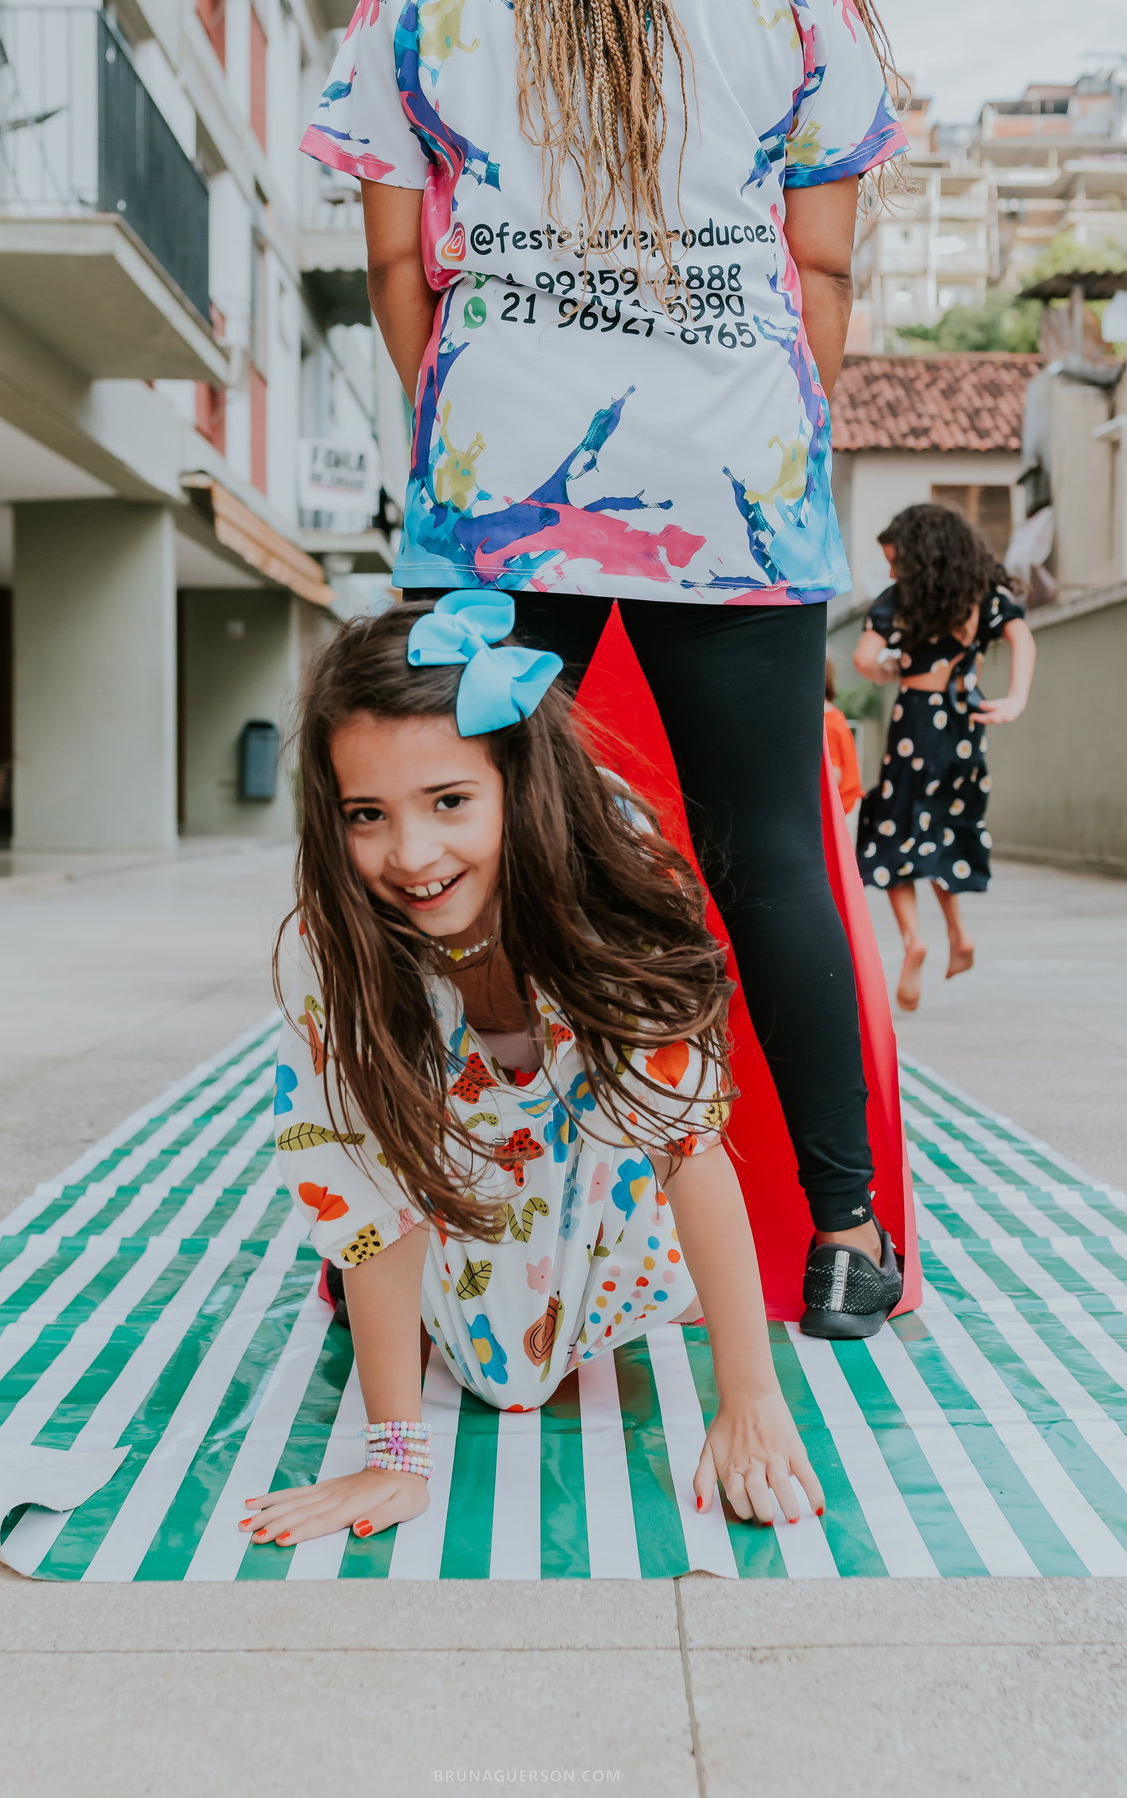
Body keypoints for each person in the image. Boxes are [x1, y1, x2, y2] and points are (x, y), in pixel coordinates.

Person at [300, 0, 909, 1334]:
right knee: (770, 849)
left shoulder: (412, 13)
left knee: (446, 837)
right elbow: (823, 274)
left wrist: (462, 453)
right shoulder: (804, 14)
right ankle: (845, 1237)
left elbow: (399, 260)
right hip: (736, 469)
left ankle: (386, 1229)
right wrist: (758, 440)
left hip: (503, 471)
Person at [238, 601, 826, 1547]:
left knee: (555, 1330)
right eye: (367, 815)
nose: (413, 855)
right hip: (446, 1197)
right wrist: (396, 1454)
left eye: (450, 801)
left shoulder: (613, 878)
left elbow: (685, 1144)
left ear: (517, 779)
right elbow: (362, 1180)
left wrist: (748, 1395)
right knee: (484, 1358)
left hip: (602, 1194)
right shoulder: (335, 941)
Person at [853, 504, 1036, 1012]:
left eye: (895, 561)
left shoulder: (900, 601)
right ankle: (959, 935)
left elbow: (863, 659)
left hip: (914, 727)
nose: (890, 572)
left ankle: (914, 940)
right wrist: (1016, 698)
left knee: (894, 832)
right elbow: (1022, 636)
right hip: (963, 730)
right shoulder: (980, 599)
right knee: (939, 831)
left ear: (917, 557)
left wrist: (889, 669)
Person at [824, 657, 863, 816]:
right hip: (849, 802)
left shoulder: (825, 722)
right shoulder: (835, 714)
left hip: (841, 807)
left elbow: (833, 774)